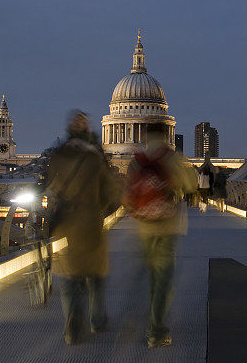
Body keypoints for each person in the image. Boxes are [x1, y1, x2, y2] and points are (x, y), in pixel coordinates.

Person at [44, 111, 117, 345]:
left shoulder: (57, 155)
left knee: (69, 276)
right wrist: (102, 210)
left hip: (65, 223)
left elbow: (46, 186)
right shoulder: (96, 158)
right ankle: (97, 319)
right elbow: (112, 194)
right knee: (94, 275)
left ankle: (71, 327)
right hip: (90, 223)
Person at [124, 123, 197, 348]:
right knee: (163, 279)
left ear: (145, 136)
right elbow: (191, 183)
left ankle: (145, 311)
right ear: (167, 135)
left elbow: (127, 194)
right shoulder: (171, 158)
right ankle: (156, 330)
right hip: (166, 225)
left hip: (144, 226)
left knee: (151, 272)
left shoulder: (136, 160)